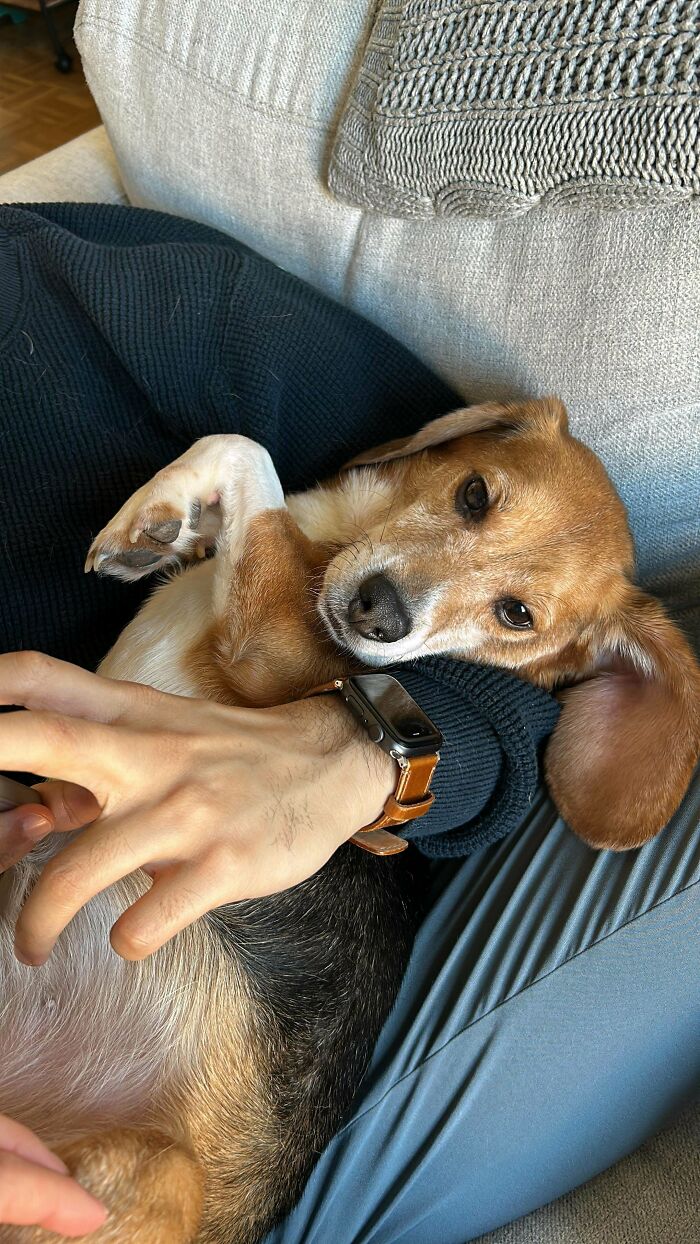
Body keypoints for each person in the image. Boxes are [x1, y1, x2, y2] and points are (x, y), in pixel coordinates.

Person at [0, 203, 696, 1242]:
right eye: (471, 504)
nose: (404, 586)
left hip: (191, 1049)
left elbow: (506, 697)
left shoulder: (141, 313)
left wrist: (365, 750)